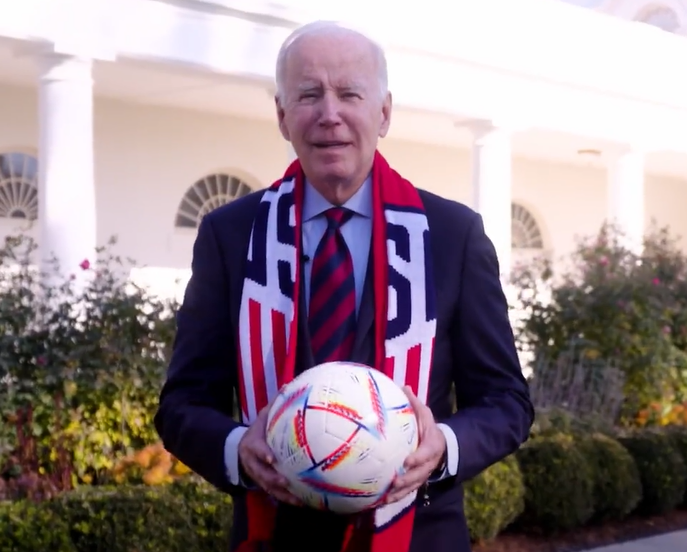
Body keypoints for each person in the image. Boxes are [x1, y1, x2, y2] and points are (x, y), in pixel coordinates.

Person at [154, 20, 534, 552]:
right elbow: (182, 404)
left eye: (349, 93)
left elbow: (506, 402)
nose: (329, 113)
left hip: (418, 536)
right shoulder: (231, 234)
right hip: (276, 537)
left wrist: (440, 447)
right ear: (283, 117)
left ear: (384, 113)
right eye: (308, 94)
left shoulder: (451, 235)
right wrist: (239, 449)